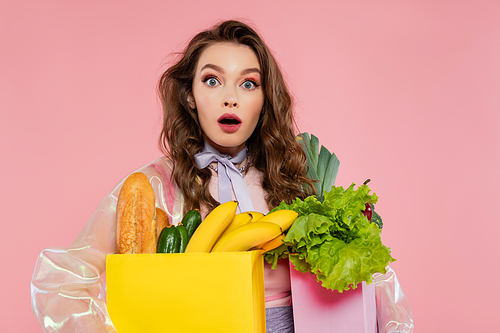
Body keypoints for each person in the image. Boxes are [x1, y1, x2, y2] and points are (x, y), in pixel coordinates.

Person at [31, 20, 413, 332]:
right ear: (190, 96)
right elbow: (61, 282)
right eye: (212, 80)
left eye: (249, 83)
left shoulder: (298, 179)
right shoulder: (154, 187)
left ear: (264, 102)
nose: (230, 97)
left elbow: (371, 279)